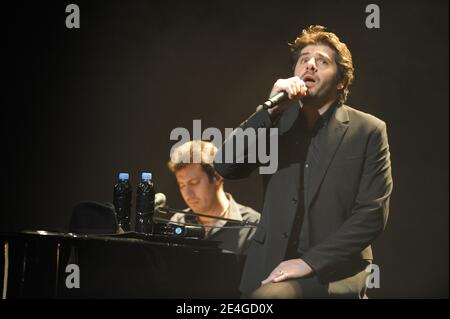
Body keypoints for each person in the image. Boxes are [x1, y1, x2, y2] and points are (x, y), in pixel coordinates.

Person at [214, 25, 393, 298]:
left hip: (331, 271)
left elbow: (371, 214)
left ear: (341, 80)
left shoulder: (367, 130)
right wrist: (270, 111)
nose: (310, 64)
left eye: (322, 61)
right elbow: (225, 165)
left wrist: (309, 262)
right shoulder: (276, 122)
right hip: (270, 266)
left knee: (271, 297)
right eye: (303, 59)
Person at [168, 140, 260, 255]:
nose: (187, 193)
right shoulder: (177, 221)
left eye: (194, 182)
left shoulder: (252, 225)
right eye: (182, 185)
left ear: (217, 177)